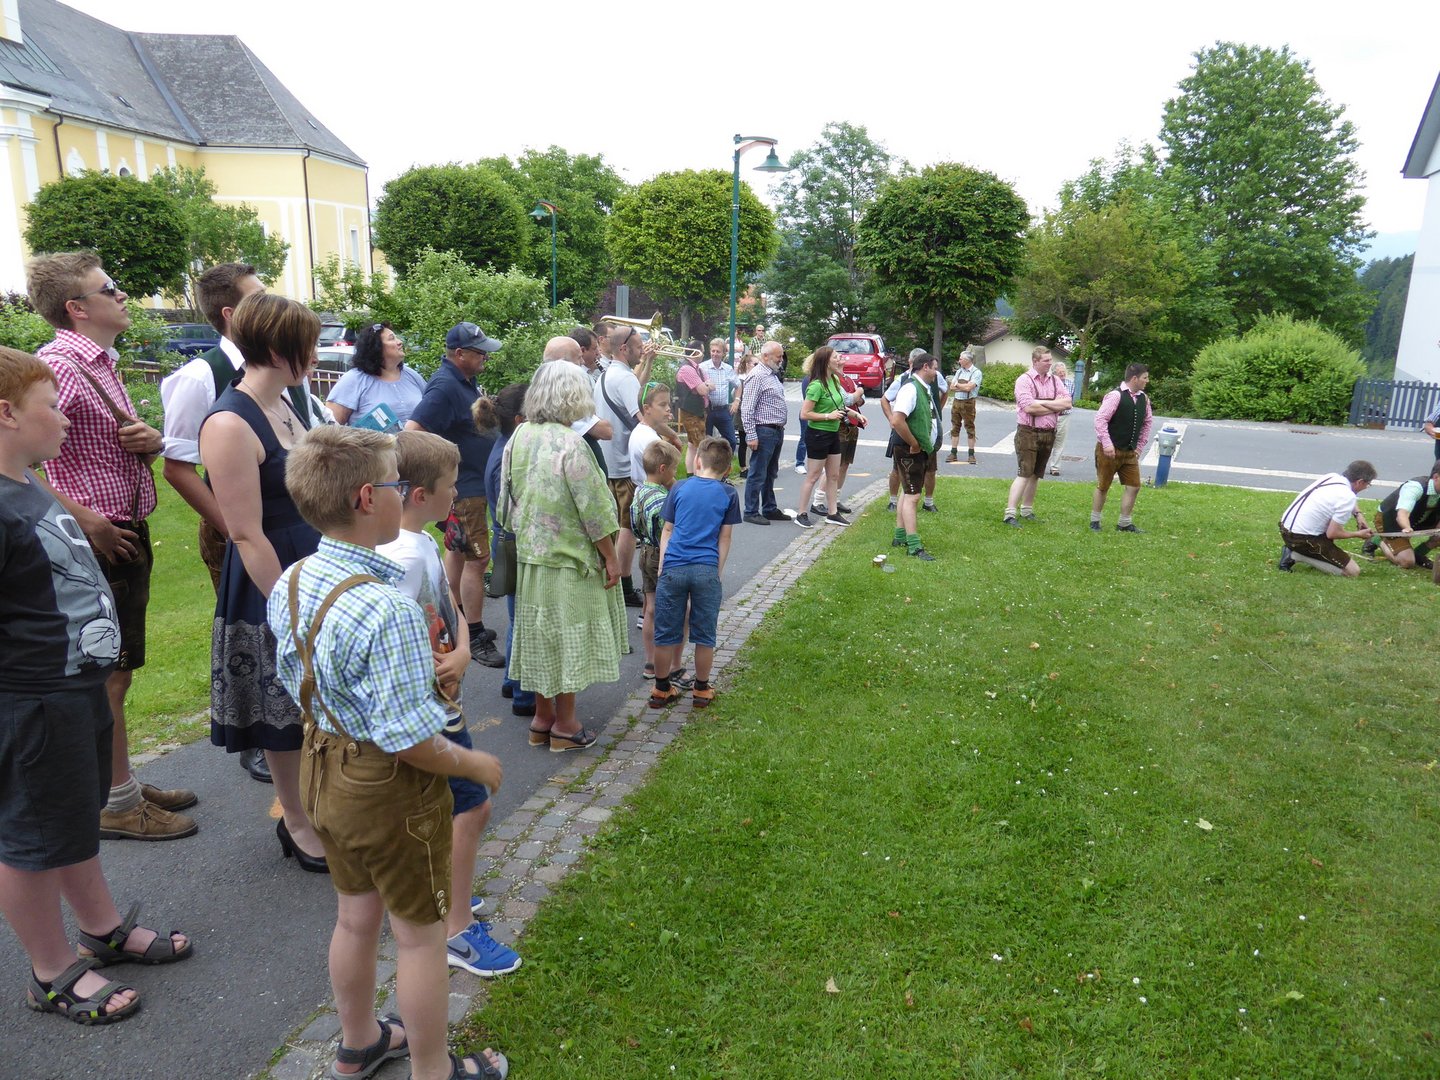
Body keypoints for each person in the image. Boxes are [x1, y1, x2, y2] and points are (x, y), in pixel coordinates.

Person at [270, 425, 509, 1080]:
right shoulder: (388, 609)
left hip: (322, 768)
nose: (404, 494)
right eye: (396, 485)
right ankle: (434, 1069)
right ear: (368, 498)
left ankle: (359, 1042)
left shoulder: (293, 579)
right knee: (420, 936)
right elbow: (409, 741)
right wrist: (474, 764)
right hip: (384, 788)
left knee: (354, 917)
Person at [0, 346, 193, 1026]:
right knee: (31, 838)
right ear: (6, 414)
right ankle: (50, 971)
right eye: (51, 407)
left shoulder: (26, 482)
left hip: (74, 687)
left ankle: (100, 929)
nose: (64, 419)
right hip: (33, 698)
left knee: (74, 815)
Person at [27, 251, 197, 841]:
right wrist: (88, 522)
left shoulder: (95, 362)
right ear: (77, 308)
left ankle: (114, 783)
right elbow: (16, 461)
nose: (122, 296)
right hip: (98, 540)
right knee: (110, 674)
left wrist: (150, 441)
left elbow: (91, 448)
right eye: (110, 288)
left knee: (116, 671)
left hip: (117, 533)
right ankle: (118, 803)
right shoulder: (60, 367)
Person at [380, 430, 522, 980]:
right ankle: (457, 929)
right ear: (420, 495)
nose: (458, 493)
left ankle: (451, 891)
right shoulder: (399, 557)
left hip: (445, 697)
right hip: (427, 708)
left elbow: (449, 607)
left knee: (455, 806)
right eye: (451, 485)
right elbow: (393, 639)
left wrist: (463, 649)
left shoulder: (419, 541)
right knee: (472, 805)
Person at [199, 292, 326, 867]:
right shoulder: (230, 422)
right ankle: (295, 822)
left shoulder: (287, 402)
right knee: (282, 707)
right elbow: (245, 533)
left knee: (316, 699)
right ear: (277, 351)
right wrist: (291, 609)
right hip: (271, 576)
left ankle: (320, 807)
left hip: (311, 560)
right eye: (308, 345)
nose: (316, 354)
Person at [158, 263, 274, 783]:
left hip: (279, 516)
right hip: (233, 517)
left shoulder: (276, 365)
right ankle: (257, 739)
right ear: (231, 314)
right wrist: (232, 526)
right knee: (251, 629)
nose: (271, 303)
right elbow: (178, 466)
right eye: (258, 297)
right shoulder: (201, 376)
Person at [508, 361, 630, 752]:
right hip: (570, 561)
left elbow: (505, 494)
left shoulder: (520, 434)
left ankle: (542, 721)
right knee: (567, 641)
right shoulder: (571, 443)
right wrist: (611, 557)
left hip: (531, 558)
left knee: (542, 639)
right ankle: (565, 726)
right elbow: (594, 509)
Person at [405, 322, 506, 668]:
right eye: (479, 353)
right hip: (465, 489)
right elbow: (412, 432)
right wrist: (444, 470)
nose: (485, 358)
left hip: (470, 486)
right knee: (478, 560)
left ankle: (456, 617)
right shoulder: (445, 386)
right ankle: (474, 634)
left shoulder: (463, 380)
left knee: (460, 554)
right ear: (459, 354)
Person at [650, 437, 741, 710]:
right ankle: (701, 689)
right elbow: (725, 538)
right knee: (704, 634)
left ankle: (661, 689)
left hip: (674, 566)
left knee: (666, 631)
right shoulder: (729, 494)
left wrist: (663, 564)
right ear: (727, 469)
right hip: (706, 569)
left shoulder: (679, 487)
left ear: (698, 461)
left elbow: (667, 530)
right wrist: (716, 570)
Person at [481, 385, 537, 721]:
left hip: (507, 540)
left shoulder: (506, 446)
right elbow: (514, 512)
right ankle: (523, 695)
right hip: (513, 543)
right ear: (519, 420)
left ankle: (511, 680)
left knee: (519, 615)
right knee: (524, 618)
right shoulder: (509, 457)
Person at [593, 324, 659, 607]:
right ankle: (625, 585)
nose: (642, 350)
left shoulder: (608, 374)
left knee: (618, 526)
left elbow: (635, 392)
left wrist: (648, 362)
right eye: (638, 347)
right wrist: (669, 439)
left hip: (608, 461)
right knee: (627, 528)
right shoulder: (624, 378)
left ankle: (616, 582)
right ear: (624, 348)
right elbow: (643, 416)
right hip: (623, 464)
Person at [632, 438, 683, 682]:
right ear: (663, 469)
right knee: (671, 609)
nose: (675, 474)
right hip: (660, 554)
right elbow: (667, 531)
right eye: (673, 469)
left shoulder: (640, 491)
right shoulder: (661, 500)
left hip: (644, 552)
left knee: (650, 608)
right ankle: (671, 663)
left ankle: (650, 662)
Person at [1003, 346, 1071, 527]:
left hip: (1049, 433)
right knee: (1025, 473)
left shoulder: (1055, 381)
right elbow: (1029, 407)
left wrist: (1041, 403)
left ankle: (1027, 510)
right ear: (1035, 361)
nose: (1050, 363)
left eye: (1050, 360)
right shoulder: (1024, 380)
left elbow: (1067, 403)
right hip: (1028, 432)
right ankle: (1010, 514)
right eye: (1046, 361)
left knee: (1036, 474)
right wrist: (1053, 405)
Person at [1277, 461, 1377, 576]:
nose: (1366, 487)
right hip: (1302, 539)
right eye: (1368, 484)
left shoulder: (1331, 477)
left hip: (1285, 529)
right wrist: (1358, 534)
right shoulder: (1347, 497)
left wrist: (1358, 514)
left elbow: (1348, 497)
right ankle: (1295, 555)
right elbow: (1333, 533)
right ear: (1360, 482)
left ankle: (1306, 553)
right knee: (1353, 572)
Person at [889, 353, 942, 561]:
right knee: (913, 497)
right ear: (925, 367)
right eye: (935, 368)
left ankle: (900, 536)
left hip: (916, 448)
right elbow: (897, 420)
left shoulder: (922, 387)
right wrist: (913, 443)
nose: (936, 372)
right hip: (908, 449)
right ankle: (914, 546)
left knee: (907, 491)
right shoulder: (910, 388)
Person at [325, 322, 427, 430]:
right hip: (370, 441)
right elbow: (330, 428)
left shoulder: (412, 375)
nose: (400, 342)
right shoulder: (353, 380)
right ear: (376, 347)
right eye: (392, 338)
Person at [1090, 363, 1154, 534]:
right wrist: (1107, 444)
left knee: (1134, 486)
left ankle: (1124, 523)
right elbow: (1100, 420)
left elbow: (1147, 423)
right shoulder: (1115, 396)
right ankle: (1095, 521)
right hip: (1109, 450)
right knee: (1103, 485)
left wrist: (1139, 446)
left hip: (1130, 451)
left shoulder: (1144, 399)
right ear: (1134, 378)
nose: (1147, 381)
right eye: (1145, 378)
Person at [793, 346, 851, 529]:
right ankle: (801, 513)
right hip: (818, 434)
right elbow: (805, 414)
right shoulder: (816, 385)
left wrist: (854, 414)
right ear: (826, 362)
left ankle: (832, 513)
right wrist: (828, 416)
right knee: (813, 476)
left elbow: (838, 405)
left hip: (833, 433)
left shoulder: (834, 380)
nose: (839, 360)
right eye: (835, 357)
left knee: (833, 475)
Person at [882, 349, 946, 514]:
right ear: (921, 365)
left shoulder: (932, 379)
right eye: (934, 368)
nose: (936, 372)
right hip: (907, 439)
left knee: (930, 470)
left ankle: (928, 502)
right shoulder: (907, 383)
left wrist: (935, 414)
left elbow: (946, 391)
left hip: (926, 437)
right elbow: (887, 402)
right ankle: (893, 501)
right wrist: (892, 419)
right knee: (900, 473)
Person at [740, 341, 789, 526]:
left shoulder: (772, 374)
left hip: (775, 430)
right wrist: (751, 435)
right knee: (758, 473)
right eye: (778, 356)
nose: (781, 359)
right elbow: (747, 408)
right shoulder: (757, 376)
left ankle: (769, 507)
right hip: (764, 430)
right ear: (766, 356)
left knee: (770, 472)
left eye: (781, 356)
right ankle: (751, 511)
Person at [1367, 461, 1440, 569]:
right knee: (1407, 562)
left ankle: (1418, 555)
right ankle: (1377, 539)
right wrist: (1407, 527)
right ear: (1436, 477)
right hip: (1389, 520)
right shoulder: (1415, 487)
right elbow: (1402, 514)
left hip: (1418, 520)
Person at [673, 345, 713, 474]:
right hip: (691, 412)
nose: (703, 354)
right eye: (702, 351)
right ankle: (699, 475)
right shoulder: (687, 368)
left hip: (698, 411)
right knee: (700, 446)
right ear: (695, 352)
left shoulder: (698, 369)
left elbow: (712, 386)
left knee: (692, 446)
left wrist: (705, 386)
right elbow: (703, 390)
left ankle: (691, 474)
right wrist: (705, 386)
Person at [945, 348, 982, 465]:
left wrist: (958, 385)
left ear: (967, 360)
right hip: (957, 401)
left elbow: (969, 388)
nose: (959, 360)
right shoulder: (959, 371)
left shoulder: (976, 372)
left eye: (961, 359)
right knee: (955, 427)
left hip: (968, 402)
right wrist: (963, 386)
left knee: (970, 427)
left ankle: (971, 454)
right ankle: (953, 452)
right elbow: (952, 387)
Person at [702, 338, 740, 450]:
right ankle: (707, 461)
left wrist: (736, 401)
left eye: (718, 351)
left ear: (723, 353)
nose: (715, 354)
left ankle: (724, 461)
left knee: (731, 441)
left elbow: (738, 385)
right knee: (706, 443)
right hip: (708, 410)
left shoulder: (727, 369)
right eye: (713, 351)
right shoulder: (702, 367)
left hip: (723, 410)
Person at [1049, 360, 1076, 476]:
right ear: (1054, 373)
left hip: (1064, 416)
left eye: (1063, 371)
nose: (1062, 374)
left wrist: (1061, 404)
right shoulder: (1049, 383)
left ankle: (1055, 467)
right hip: (1050, 415)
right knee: (1046, 441)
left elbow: (1070, 402)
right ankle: (1040, 465)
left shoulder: (1070, 384)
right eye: (1060, 372)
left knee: (1060, 442)